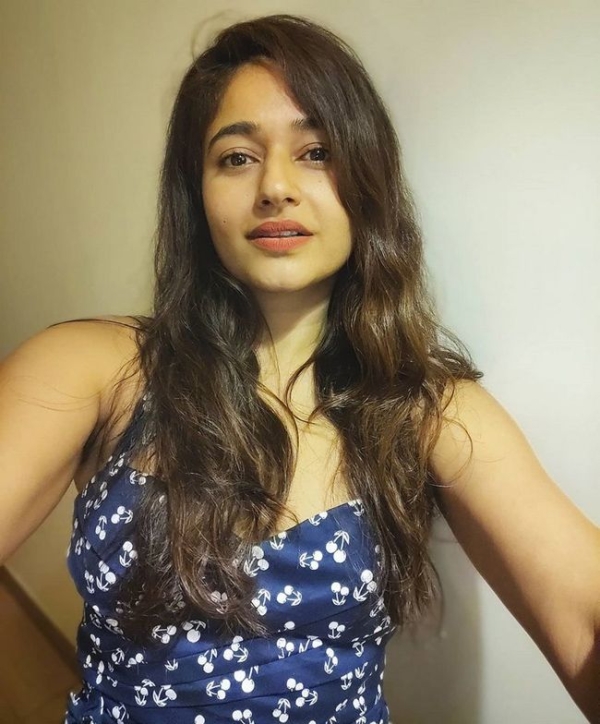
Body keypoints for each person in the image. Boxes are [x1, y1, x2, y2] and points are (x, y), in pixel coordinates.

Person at [0, 12, 597, 724]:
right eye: (236, 157)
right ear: (196, 193)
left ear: (368, 180)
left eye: (316, 152)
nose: (276, 186)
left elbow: (584, 613)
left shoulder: (430, 409)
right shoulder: (93, 369)